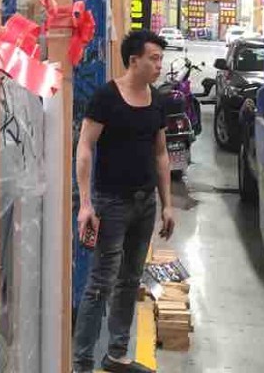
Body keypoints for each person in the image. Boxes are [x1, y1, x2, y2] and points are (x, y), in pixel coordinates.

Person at [73, 29, 175, 373]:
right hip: (111, 204)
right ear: (134, 60)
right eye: (154, 59)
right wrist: (86, 204)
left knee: (130, 280)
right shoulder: (107, 97)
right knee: (100, 284)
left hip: (145, 205)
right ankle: (81, 363)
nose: (159, 65)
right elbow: (85, 147)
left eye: (161, 59)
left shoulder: (156, 100)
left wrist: (167, 203)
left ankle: (116, 354)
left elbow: (161, 154)